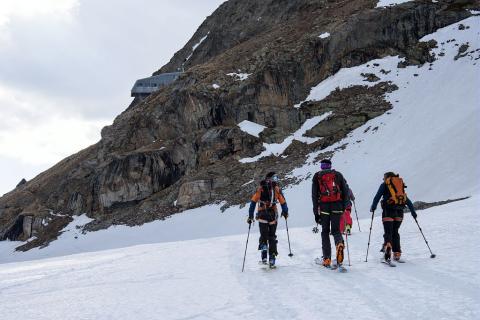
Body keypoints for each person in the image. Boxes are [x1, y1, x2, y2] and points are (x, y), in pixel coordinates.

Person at [370, 172, 417, 262]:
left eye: (384, 178)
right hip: (399, 212)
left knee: (388, 232)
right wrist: (413, 212)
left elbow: (377, 196)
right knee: (395, 232)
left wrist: (373, 206)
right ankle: (397, 253)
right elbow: (406, 199)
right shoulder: (399, 185)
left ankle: (387, 246)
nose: (383, 180)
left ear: (387, 177)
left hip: (388, 211)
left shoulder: (384, 184)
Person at [311, 159, 350, 268]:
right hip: (337, 205)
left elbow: (314, 196)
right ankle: (339, 244)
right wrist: (344, 206)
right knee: (336, 231)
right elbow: (345, 191)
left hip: (324, 207)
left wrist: (316, 213)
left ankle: (327, 258)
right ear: (330, 166)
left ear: (322, 166)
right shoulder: (338, 175)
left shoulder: (317, 176)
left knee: (325, 232)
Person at [248, 172, 288, 267]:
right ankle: (272, 258)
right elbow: (283, 202)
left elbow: (253, 202)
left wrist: (250, 216)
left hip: (262, 215)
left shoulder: (260, 189)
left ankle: (264, 256)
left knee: (263, 235)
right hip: (273, 215)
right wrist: (285, 212)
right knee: (272, 236)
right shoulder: (277, 189)